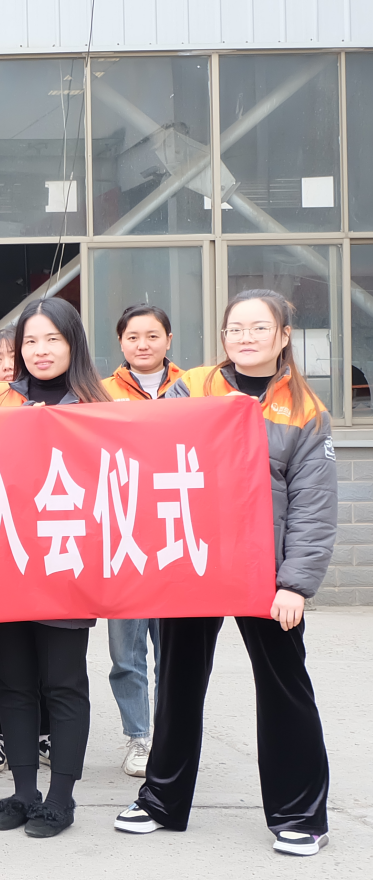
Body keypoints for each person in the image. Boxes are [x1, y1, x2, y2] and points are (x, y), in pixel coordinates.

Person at [116, 290, 335, 857]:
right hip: (193, 561)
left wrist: (295, 584)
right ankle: (161, 801)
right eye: (235, 328)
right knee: (179, 682)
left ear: (283, 336)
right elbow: (149, 451)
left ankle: (300, 816)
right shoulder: (193, 387)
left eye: (259, 328)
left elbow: (313, 506)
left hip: (267, 572)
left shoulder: (305, 409)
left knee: (285, 687)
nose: (245, 337)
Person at [0, 297, 110, 839]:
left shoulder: (99, 404)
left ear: (73, 343)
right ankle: (24, 791)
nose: (40, 350)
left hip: (66, 563)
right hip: (3, 562)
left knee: (63, 684)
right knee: (13, 684)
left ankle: (61, 798)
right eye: (30, 340)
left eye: (52, 339)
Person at [99, 303, 182, 778]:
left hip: (175, 533)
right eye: (133, 337)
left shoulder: (194, 389)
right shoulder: (99, 392)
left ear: (169, 339)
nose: (143, 344)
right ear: (121, 342)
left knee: (174, 651)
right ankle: (139, 737)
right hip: (122, 536)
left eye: (152, 335)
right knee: (126, 651)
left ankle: (171, 737)